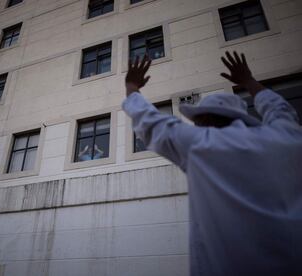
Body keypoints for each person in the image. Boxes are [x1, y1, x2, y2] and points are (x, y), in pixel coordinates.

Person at [122, 52, 302, 275]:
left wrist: (131, 86)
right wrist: (248, 80)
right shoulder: (286, 137)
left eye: (197, 122)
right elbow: (281, 109)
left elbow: (148, 120)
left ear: (205, 121)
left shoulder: (201, 145)